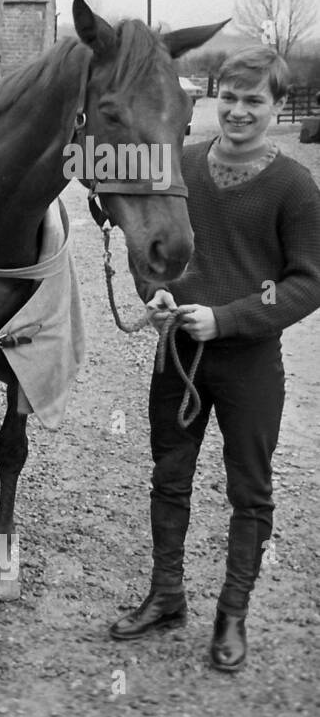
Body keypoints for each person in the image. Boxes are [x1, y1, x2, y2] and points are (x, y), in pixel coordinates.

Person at [109, 46, 320, 672]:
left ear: (277, 107)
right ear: (212, 99)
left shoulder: (294, 185)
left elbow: (308, 281)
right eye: (229, 97)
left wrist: (226, 319)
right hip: (177, 358)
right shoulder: (183, 165)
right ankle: (167, 594)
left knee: (249, 493)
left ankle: (232, 615)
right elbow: (147, 245)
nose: (238, 110)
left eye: (254, 100)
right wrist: (157, 292)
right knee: (168, 479)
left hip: (250, 364)